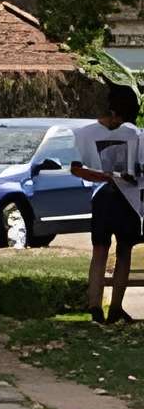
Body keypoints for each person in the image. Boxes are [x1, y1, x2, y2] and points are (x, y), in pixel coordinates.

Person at [71, 85, 144, 324]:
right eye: (120, 118)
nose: (120, 124)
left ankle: (107, 308)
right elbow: (77, 168)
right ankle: (101, 308)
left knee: (110, 250)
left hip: (116, 198)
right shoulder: (130, 134)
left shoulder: (86, 133)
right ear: (114, 112)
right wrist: (108, 175)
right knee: (114, 251)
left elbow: (77, 168)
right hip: (115, 196)